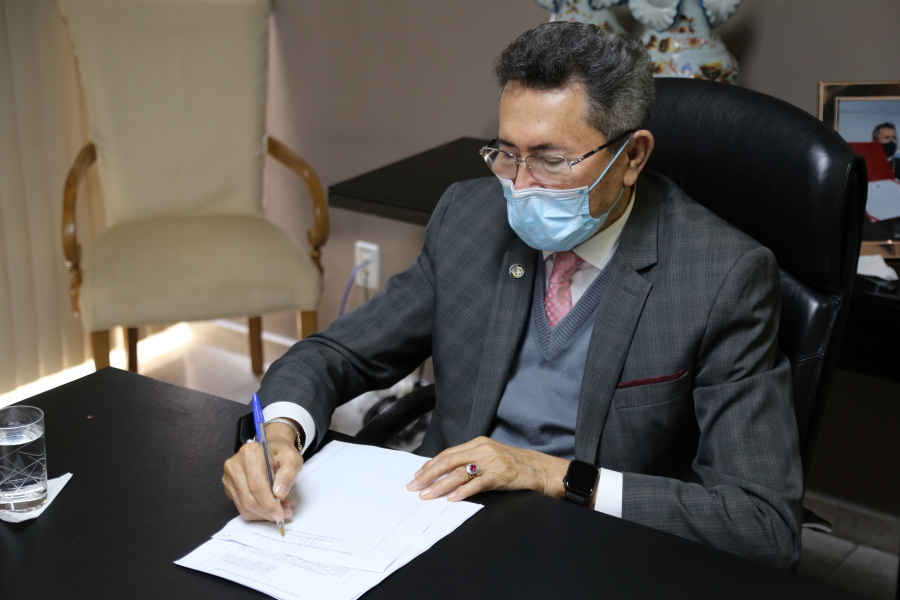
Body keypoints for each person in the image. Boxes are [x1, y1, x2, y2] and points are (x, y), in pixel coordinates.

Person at [222, 22, 803, 568]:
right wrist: (279, 433)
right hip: (434, 522)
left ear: (632, 157)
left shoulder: (721, 276)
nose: (521, 187)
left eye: (551, 160)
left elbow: (762, 522)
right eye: (506, 154)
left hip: (591, 545)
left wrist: (550, 474)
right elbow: (336, 354)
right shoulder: (469, 216)